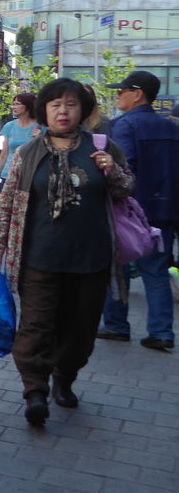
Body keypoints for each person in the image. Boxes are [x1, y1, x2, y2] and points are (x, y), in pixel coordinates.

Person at [0, 78, 133, 426]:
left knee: (79, 330)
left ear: (82, 109)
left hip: (91, 258)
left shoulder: (102, 146)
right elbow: (8, 203)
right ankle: (35, 390)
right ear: (45, 111)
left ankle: (64, 378)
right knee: (36, 326)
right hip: (39, 258)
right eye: (55, 105)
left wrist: (112, 172)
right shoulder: (28, 153)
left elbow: (127, 189)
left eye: (70, 104)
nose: (63, 111)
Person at [98, 70, 179, 350]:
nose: (118, 95)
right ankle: (162, 332)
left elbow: (122, 170)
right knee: (156, 272)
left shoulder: (125, 126)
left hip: (131, 212)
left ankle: (117, 325)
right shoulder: (171, 127)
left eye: (122, 91)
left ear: (138, 94)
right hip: (166, 211)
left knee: (116, 267)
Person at [0, 92, 40, 184]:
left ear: (28, 105)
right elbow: (4, 154)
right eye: (13, 104)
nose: (13, 107)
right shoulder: (9, 126)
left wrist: (42, 138)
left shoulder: (41, 127)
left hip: (31, 177)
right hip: (8, 175)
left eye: (17, 104)